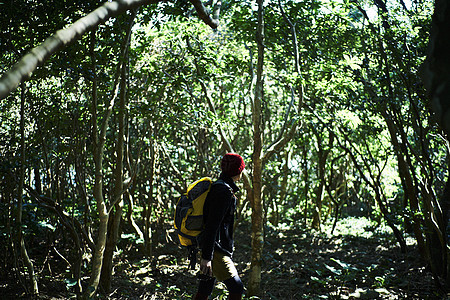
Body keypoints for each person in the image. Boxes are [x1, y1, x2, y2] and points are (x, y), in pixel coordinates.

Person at [193, 153, 246, 300]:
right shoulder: (223, 191)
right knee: (237, 287)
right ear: (238, 170)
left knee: (205, 288)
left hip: (214, 247)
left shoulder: (222, 187)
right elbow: (212, 226)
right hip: (215, 249)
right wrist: (207, 257)